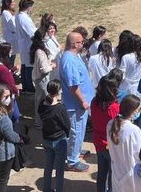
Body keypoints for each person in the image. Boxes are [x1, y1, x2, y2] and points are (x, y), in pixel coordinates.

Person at [60, 31, 95, 171]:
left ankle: (76, 151)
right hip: (76, 105)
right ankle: (72, 161)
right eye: (81, 42)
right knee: (76, 131)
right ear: (75, 44)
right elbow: (73, 85)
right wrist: (83, 101)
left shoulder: (75, 56)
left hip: (81, 103)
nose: (83, 43)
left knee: (80, 131)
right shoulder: (69, 60)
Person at [39, 79, 71, 192]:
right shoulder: (60, 108)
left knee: (48, 166)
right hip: (59, 140)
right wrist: (66, 135)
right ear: (58, 91)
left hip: (46, 139)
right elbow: (67, 124)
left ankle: (46, 189)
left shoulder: (42, 104)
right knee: (59, 168)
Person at [108, 94, 141, 191]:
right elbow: (140, 154)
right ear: (133, 111)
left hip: (116, 171)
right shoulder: (134, 130)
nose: (140, 111)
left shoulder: (110, 124)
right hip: (131, 174)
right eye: (139, 109)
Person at [91, 77, 120, 192]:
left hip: (98, 142)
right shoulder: (114, 108)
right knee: (113, 175)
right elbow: (118, 128)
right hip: (111, 144)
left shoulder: (94, 102)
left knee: (102, 173)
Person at [0, 42, 20, 124]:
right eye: (10, 50)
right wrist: (16, 91)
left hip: (0, 93)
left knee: (15, 115)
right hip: (5, 95)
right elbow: (10, 83)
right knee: (10, 117)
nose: (11, 52)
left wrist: (12, 70)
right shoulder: (2, 69)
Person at [31, 30, 55, 129]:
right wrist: (52, 66)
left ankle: (40, 121)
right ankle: (39, 122)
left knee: (40, 100)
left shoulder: (39, 49)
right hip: (42, 79)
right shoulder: (40, 52)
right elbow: (43, 69)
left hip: (41, 79)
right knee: (43, 100)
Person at [15, 0, 38, 93]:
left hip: (23, 43)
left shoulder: (18, 16)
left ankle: (25, 84)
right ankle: (28, 86)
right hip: (28, 44)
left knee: (24, 64)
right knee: (28, 65)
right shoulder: (24, 18)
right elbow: (31, 33)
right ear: (28, 7)